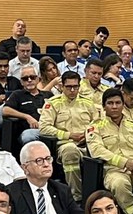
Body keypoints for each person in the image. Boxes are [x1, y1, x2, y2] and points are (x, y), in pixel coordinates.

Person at [87, 88, 133, 214]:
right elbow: (97, 150)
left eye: (118, 103)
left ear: (123, 105)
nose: (114, 106)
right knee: (120, 185)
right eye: (110, 103)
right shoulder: (95, 127)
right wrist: (124, 163)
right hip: (113, 171)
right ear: (104, 106)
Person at [8, 141, 84, 214]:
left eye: (48, 159)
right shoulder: (12, 193)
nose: (46, 164)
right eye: (39, 161)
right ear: (25, 167)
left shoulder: (62, 190)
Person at [38, 71, 98, 201]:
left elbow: (98, 124)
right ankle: (76, 197)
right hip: (65, 145)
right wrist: (69, 135)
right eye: (68, 87)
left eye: (75, 87)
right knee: (70, 151)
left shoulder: (88, 103)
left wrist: (87, 135)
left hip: (89, 143)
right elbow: (43, 128)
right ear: (62, 87)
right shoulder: (53, 103)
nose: (72, 90)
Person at [2, 66, 52, 145]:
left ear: (38, 79)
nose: (29, 80)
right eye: (25, 78)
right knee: (28, 136)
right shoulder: (17, 94)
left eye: (32, 77)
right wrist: (27, 117)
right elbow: (5, 110)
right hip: (29, 131)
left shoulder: (48, 95)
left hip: (49, 129)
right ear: (21, 82)